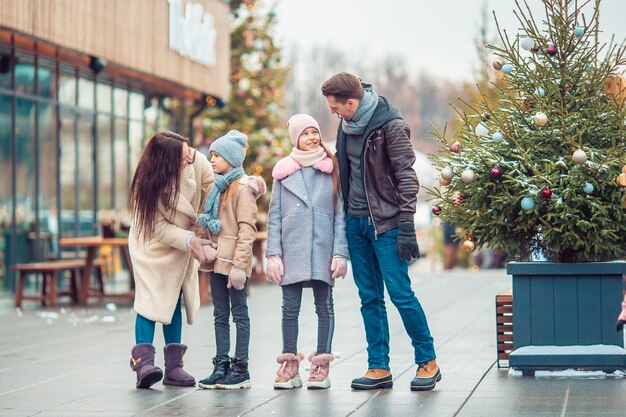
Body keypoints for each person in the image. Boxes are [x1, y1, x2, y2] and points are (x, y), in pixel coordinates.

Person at [321, 72, 441, 391]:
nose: (332, 112)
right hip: (356, 223)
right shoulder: (346, 124)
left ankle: (427, 361)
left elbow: (406, 177)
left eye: (335, 107)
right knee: (369, 297)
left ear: (351, 102)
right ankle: (378, 367)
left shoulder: (391, 125)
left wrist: (406, 226)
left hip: (386, 224)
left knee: (400, 293)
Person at [265, 114, 349, 390]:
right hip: (292, 250)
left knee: (324, 307)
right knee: (290, 309)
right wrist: (273, 254)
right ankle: (290, 365)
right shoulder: (283, 173)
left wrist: (340, 253)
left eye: (315, 132)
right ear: (295, 139)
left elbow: (340, 215)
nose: (312, 137)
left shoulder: (330, 169)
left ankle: (320, 365)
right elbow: (275, 216)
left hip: (322, 250)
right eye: (305, 133)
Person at [128, 131, 214, 389]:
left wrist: (236, 191)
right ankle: (143, 363)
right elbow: (158, 227)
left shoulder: (195, 160)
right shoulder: (148, 182)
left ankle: (175, 367)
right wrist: (190, 241)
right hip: (151, 245)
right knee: (150, 300)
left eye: (190, 153)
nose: (190, 159)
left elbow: (215, 185)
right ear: (166, 161)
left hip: (182, 241)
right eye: (183, 157)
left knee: (174, 297)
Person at [196, 130, 266, 390]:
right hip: (216, 261)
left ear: (232, 158)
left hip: (234, 263)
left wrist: (239, 266)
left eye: (217, 155)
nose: (212, 160)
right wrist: (203, 246)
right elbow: (205, 224)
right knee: (219, 314)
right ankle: (221, 364)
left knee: (240, 314)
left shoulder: (243, 189)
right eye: (211, 155)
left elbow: (248, 230)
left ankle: (241, 367)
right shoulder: (215, 188)